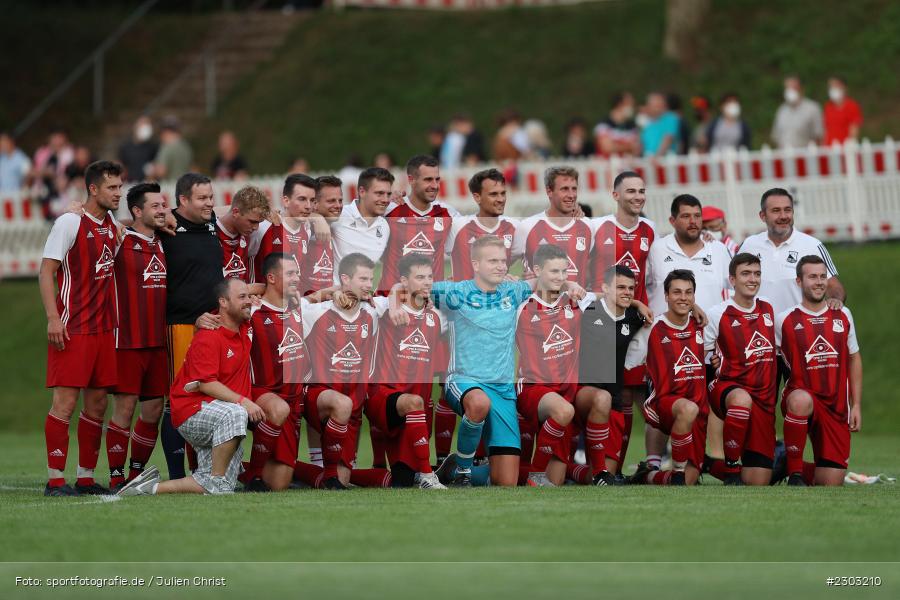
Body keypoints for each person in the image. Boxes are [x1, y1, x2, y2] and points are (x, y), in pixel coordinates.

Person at [420, 236, 585, 487]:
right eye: (493, 261)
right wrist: (395, 300)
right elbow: (409, 287)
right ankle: (463, 472)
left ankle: (452, 468)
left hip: (503, 390)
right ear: (476, 264)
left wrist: (570, 283)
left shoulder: (513, 291)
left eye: (503, 261)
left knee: (505, 482)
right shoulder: (455, 291)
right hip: (464, 380)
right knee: (478, 403)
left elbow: (547, 279)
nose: (500, 266)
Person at [117, 278, 264, 496]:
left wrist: (326, 293)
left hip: (217, 413)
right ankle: (216, 480)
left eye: (248, 296)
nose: (248, 301)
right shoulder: (208, 336)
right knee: (237, 413)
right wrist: (244, 401)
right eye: (241, 297)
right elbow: (206, 383)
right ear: (223, 302)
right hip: (192, 411)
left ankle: (147, 488)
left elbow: (271, 286)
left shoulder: (244, 325)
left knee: (220, 483)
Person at [39, 161, 123, 496]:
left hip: (104, 330)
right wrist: (52, 317)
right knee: (65, 402)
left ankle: (85, 478)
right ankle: (55, 480)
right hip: (73, 328)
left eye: (120, 187)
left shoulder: (111, 223)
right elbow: (47, 272)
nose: (118, 193)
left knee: (98, 403)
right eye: (112, 188)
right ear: (93, 189)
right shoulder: (69, 223)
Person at [515, 244, 609, 487]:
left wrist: (640, 305)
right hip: (533, 390)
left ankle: (600, 475)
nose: (560, 277)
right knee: (564, 412)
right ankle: (534, 476)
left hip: (565, 393)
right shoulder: (521, 307)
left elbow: (612, 297)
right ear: (537, 270)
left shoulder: (575, 301)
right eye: (553, 271)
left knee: (603, 398)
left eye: (564, 272)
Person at [158, 173, 224, 480]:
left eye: (211, 197)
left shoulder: (212, 224)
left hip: (214, 326)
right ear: (182, 200)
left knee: (208, 400)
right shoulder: (165, 225)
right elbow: (125, 225)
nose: (209, 203)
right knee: (179, 398)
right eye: (202, 198)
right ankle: (175, 474)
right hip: (181, 325)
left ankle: (203, 469)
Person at [775, 255, 862, 486]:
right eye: (812, 276)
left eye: (823, 276)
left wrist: (857, 405)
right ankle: (794, 474)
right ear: (799, 281)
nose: (819, 282)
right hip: (801, 398)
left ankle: (784, 460)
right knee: (801, 399)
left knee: (831, 481)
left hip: (836, 407)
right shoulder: (784, 320)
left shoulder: (843, 315)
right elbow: (765, 356)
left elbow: (854, 359)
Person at [590, 171, 656, 467]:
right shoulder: (597, 227)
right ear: (615, 195)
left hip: (636, 324)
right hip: (602, 322)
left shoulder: (651, 230)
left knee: (633, 392)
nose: (638, 196)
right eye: (630, 191)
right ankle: (595, 463)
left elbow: (656, 275)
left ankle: (628, 463)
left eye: (641, 191)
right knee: (606, 393)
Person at [106, 183, 168, 491]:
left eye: (164, 205)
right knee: (125, 409)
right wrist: (73, 208)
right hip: (127, 341)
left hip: (158, 343)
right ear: (137, 211)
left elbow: (211, 215)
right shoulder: (119, 239)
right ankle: (116, 475)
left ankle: (135, 473)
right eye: (155, 206)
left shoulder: (165, 242)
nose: (162, 210)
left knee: (154, 410)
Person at [367, 253, 447, 489]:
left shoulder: (437, 316)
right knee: (414, 402)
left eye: (430, 276)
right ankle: (427, 474)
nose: (427, 282)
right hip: (383, 396)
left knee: (400, 481)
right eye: (419, 277)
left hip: (414, 413)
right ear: (404, 280)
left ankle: (321, 475)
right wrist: (393, 299)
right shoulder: (385, 307)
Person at [300, 253, 378, 489]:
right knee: (341, 404)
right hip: (318, 396)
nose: (369, 285)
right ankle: (328, 475)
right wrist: (331, 291)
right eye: (363, 278)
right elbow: (289, 304)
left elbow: (402, 294)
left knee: (342, 481)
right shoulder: (316, 312)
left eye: (371, 279)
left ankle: (293, 470)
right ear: (345, 278)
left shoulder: (373, 312)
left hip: (354, 404)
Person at [626, 270, 708, 486]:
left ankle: (647, 476)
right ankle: (678, 472)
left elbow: (712, 354)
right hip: (664, 404)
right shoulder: (651, 327)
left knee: (692, 479)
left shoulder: (702, 324)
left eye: (688, 293)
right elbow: (628, 362)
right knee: (687, 409)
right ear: (666, 296)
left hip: (698, 409)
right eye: (677, 292)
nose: (683, 297)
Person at [703, 253, 778, 486]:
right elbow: (703, 355)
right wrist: (712, 363)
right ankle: (732, 468)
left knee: (758, 481)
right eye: (746, 273)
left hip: (763, 401)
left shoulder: (768, 309)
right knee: (741, 399)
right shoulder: (718, 313)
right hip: (728, 389)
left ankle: (709, 464)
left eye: (757, 274)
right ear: (732, 280)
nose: (752, 279)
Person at [242, 253, 310, 491]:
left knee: (279, 484)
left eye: (297, 273)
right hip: (260, 393)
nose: (296, 278)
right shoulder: (250, 311)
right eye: (290, 273)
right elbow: (221, 306)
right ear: (271, 278)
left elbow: (329, 297)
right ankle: (252, 477)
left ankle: (235, 468)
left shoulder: (300, 308)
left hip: (293, 401)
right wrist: (203, 319)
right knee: (278, 408)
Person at [577, 266, 646, 484]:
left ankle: (575, 472)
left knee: (607, 475)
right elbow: (559, 291)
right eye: (620, 287)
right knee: (601, 397)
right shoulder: (588, 309)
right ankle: (597, 472)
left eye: (631, 288)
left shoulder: (635, 317)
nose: (627, 292)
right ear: (605, 288)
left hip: (614, 400)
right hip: (582, 395)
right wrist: (637, 301)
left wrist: (637, 304)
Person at [738, 188, 845, 316]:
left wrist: (836, 300)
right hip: (759, 331)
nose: (783, 216)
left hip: (798, 330)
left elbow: (833, 285)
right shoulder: (749, 244)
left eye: (787, 210)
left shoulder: (812, 245)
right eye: (776, 211)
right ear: (763, 216)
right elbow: (733, 284)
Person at [379, 155, 460, 291]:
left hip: (431, 304)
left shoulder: (447, 213)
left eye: (437, 179)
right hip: (391, 302)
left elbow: (472, 246)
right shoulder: (389, 210)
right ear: (411, 179)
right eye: (428, 180)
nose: (434, 185)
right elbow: (354, 215)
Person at [512, 166, 593, 287]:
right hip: (538, 305)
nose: (571, 195)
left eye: (574, 189)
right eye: (564, 189)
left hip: (577, 305)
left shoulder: (588, 226)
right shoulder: (527, 227)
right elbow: (499, 267)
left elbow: (596, 272)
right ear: (549, 191)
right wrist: (518, 281)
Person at [250, 173, 317, 289]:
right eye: (302, 199)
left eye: (312, 200)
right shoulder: (264, 226)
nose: (308, 206)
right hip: (262, 303)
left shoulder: (307, 231)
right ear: (286, 201)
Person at [330, 167, 393, 281]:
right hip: (332, 296)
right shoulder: (339, 215)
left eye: (388, 194)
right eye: (379, 193)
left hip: (363, 296)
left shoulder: (385, 227)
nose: (385, 199)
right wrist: (318, 219)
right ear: (362, 191)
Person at [215, 185, 270, 282]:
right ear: (236, 212)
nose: (256, 228)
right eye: (252, 222)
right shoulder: (209, 232)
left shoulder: (250, 233)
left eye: (258, 223)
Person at [305, 175, 342, 294]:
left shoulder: (338, 224)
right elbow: (285, 216)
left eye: (340, 200)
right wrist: (315, 217)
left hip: (329, 301)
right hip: (304, 305)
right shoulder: (303, 228)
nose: (338, 205)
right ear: (315, 204)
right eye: (331, 201)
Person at [771, 77, 823, 149]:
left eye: (793, 88)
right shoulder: (782, 110)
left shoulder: (812, 108)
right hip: (785, 155)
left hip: (805, 156)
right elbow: (776, 136)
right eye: (788, 88)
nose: (790, 91)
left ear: (801, 89)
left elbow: (819, 136)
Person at [594, 91, 640, 157]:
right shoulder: (604, 124)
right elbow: (607, 147)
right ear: (619, 104)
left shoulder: (632, 126)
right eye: (630, 104)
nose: (632, 107)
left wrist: (617, 146)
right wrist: (629, 147)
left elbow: (636, 149)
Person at [823, 76, 863, 146]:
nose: (833, 88)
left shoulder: (851, 105)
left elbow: (854, 128)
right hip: (830, 148)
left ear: (844, 87)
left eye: (836, 85)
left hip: (846, 148)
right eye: (831, 86)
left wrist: (851, 144)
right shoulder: (828, 106)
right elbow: (826, 129)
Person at [117, 116, 158, 182]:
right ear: (135, 127)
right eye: (143, 125)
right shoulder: (125, 146)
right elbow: (121, 165)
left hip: (146, 183)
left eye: (148, 125)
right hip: (129, 184)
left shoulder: (153, 146)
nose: (145, 128)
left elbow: (156, 165)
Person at [151, 116, 192, 180]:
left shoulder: (167, 148)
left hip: (169, 187)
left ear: (166, 132)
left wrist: (153, 169)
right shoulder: (186, 147)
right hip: (183, 186)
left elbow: (161, 172)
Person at [639, 92, 680, 157]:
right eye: (654, 105)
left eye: (658, 105)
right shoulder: (646, 123)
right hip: (648, 160)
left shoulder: (671, 118)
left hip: (665, 160)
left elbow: (668, 139)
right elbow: (641, 145)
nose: (657, 108)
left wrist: (657, 156)